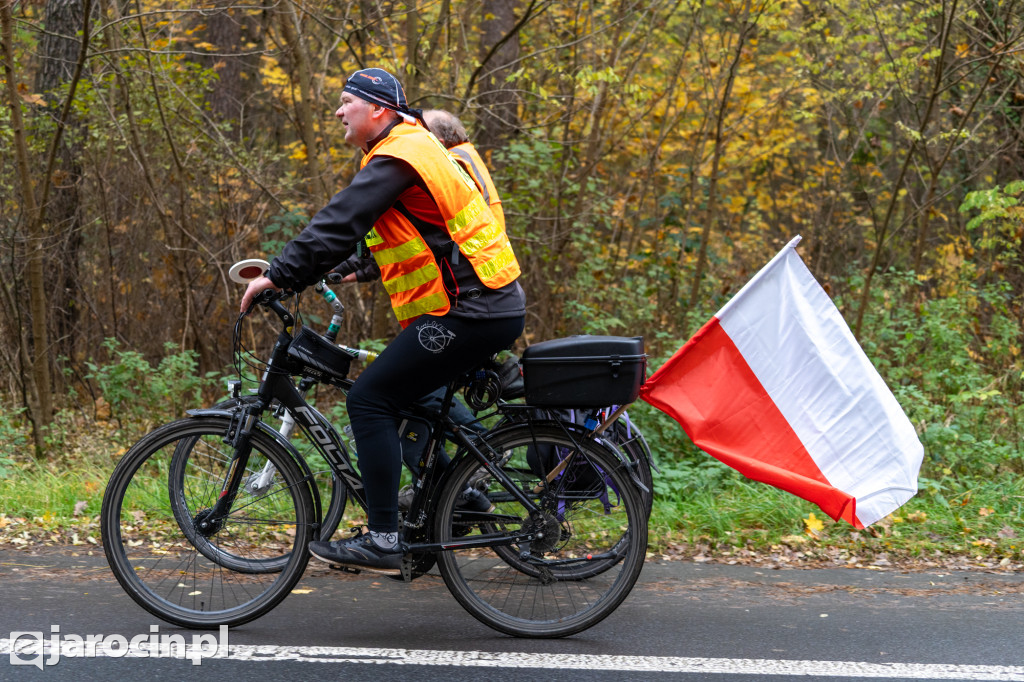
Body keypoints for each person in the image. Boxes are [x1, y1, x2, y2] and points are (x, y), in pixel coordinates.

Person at [240, 68, 526, 576]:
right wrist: (330, 270)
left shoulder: (401, 153)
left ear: (378, 109)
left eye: (346, 101)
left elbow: (340, 218)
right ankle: (457, 502)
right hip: (482, 306)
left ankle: (383, 539)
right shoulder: (409, 148)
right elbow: (377, 235)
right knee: (415, 398)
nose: (337, 111)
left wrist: (278, 276)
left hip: (471, 311)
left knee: (368, 398)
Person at [332, 108, 503, 284]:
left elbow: (413, 230)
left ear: (439, 142)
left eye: (421, 137)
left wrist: (349, 266)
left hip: (470, 278)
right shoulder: (465, 156)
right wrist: (360, 269)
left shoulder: (449, 166)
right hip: (483, 273)